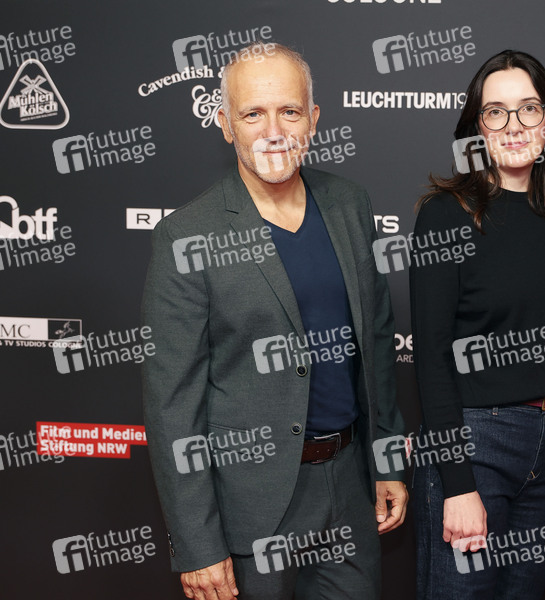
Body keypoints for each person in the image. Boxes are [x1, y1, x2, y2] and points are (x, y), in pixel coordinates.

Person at [142, 42, 407, 600]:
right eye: (252, 114)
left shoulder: (350, 205)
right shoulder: (187, 235)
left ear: (314, 118)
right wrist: (198, 544)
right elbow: (173, 406)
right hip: (251, 506)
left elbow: (378, 343)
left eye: (289, 111)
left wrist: (386, 460)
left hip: (350, 488)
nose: (273, 131)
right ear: (225, 124)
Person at [409, 49, 545, 600]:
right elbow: (432, 358)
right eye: (496, 112)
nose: (514, 126)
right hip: (475, 446)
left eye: (529, 109)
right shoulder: (446, 214)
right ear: (477, 127)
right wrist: (457, 485)